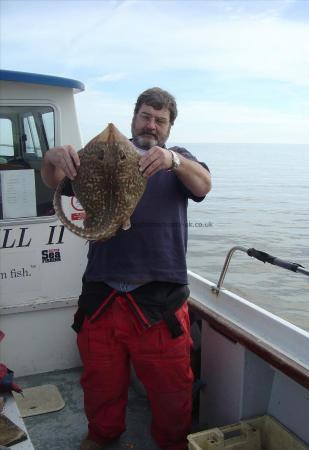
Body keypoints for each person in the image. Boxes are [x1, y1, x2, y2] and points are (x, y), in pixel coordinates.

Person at [41, 87, 211, 450]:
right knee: (100, 381)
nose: (152, 125)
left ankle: (172, 443)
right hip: (102, 294)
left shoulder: (177, 160)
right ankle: (102, 436)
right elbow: (54, 181)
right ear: (134, 118)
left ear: (169, 128)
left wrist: (172, 161)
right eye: (146, 116)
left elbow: (204, 184)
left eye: (160, 120)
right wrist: (53, 159)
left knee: (171, 388)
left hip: (158, 299)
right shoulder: (98, 160)